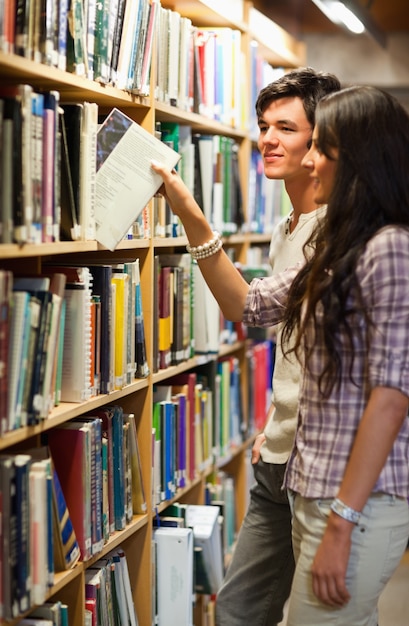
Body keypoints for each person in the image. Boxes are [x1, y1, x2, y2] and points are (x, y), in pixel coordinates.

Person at [151, 84, 409, 625]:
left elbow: (389, 395)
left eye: (317, 143)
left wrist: (342, 519)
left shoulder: (387, 248)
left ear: (356, 156)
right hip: (298, 469)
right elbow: (259, 307)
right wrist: (281, 424)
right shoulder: (338, 239)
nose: (307, 157)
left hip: (343, 490)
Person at [215, 67, 341, 626]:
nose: (267, 139)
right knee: (239, 611)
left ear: (322, 139)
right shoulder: (286, 226)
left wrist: (194, 221)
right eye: (264, 126)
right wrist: (274, 418)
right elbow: (291, 347)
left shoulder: (340, 232)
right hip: (276, 452)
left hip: (320, 465)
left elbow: (252, 306)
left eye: (285, 128)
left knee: (328, 617)